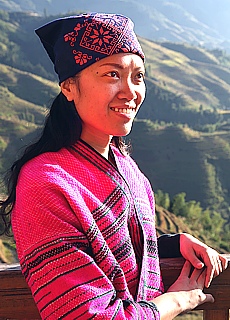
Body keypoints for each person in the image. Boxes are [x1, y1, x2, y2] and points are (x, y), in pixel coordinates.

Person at [0, 12, 228, 320]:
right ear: (69, 87)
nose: (130, 92)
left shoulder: (126, 168)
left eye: (138, 77)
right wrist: (175, 302)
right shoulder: (45, 183)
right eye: (112, 75)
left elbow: (117, 246)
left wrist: (172, 244)